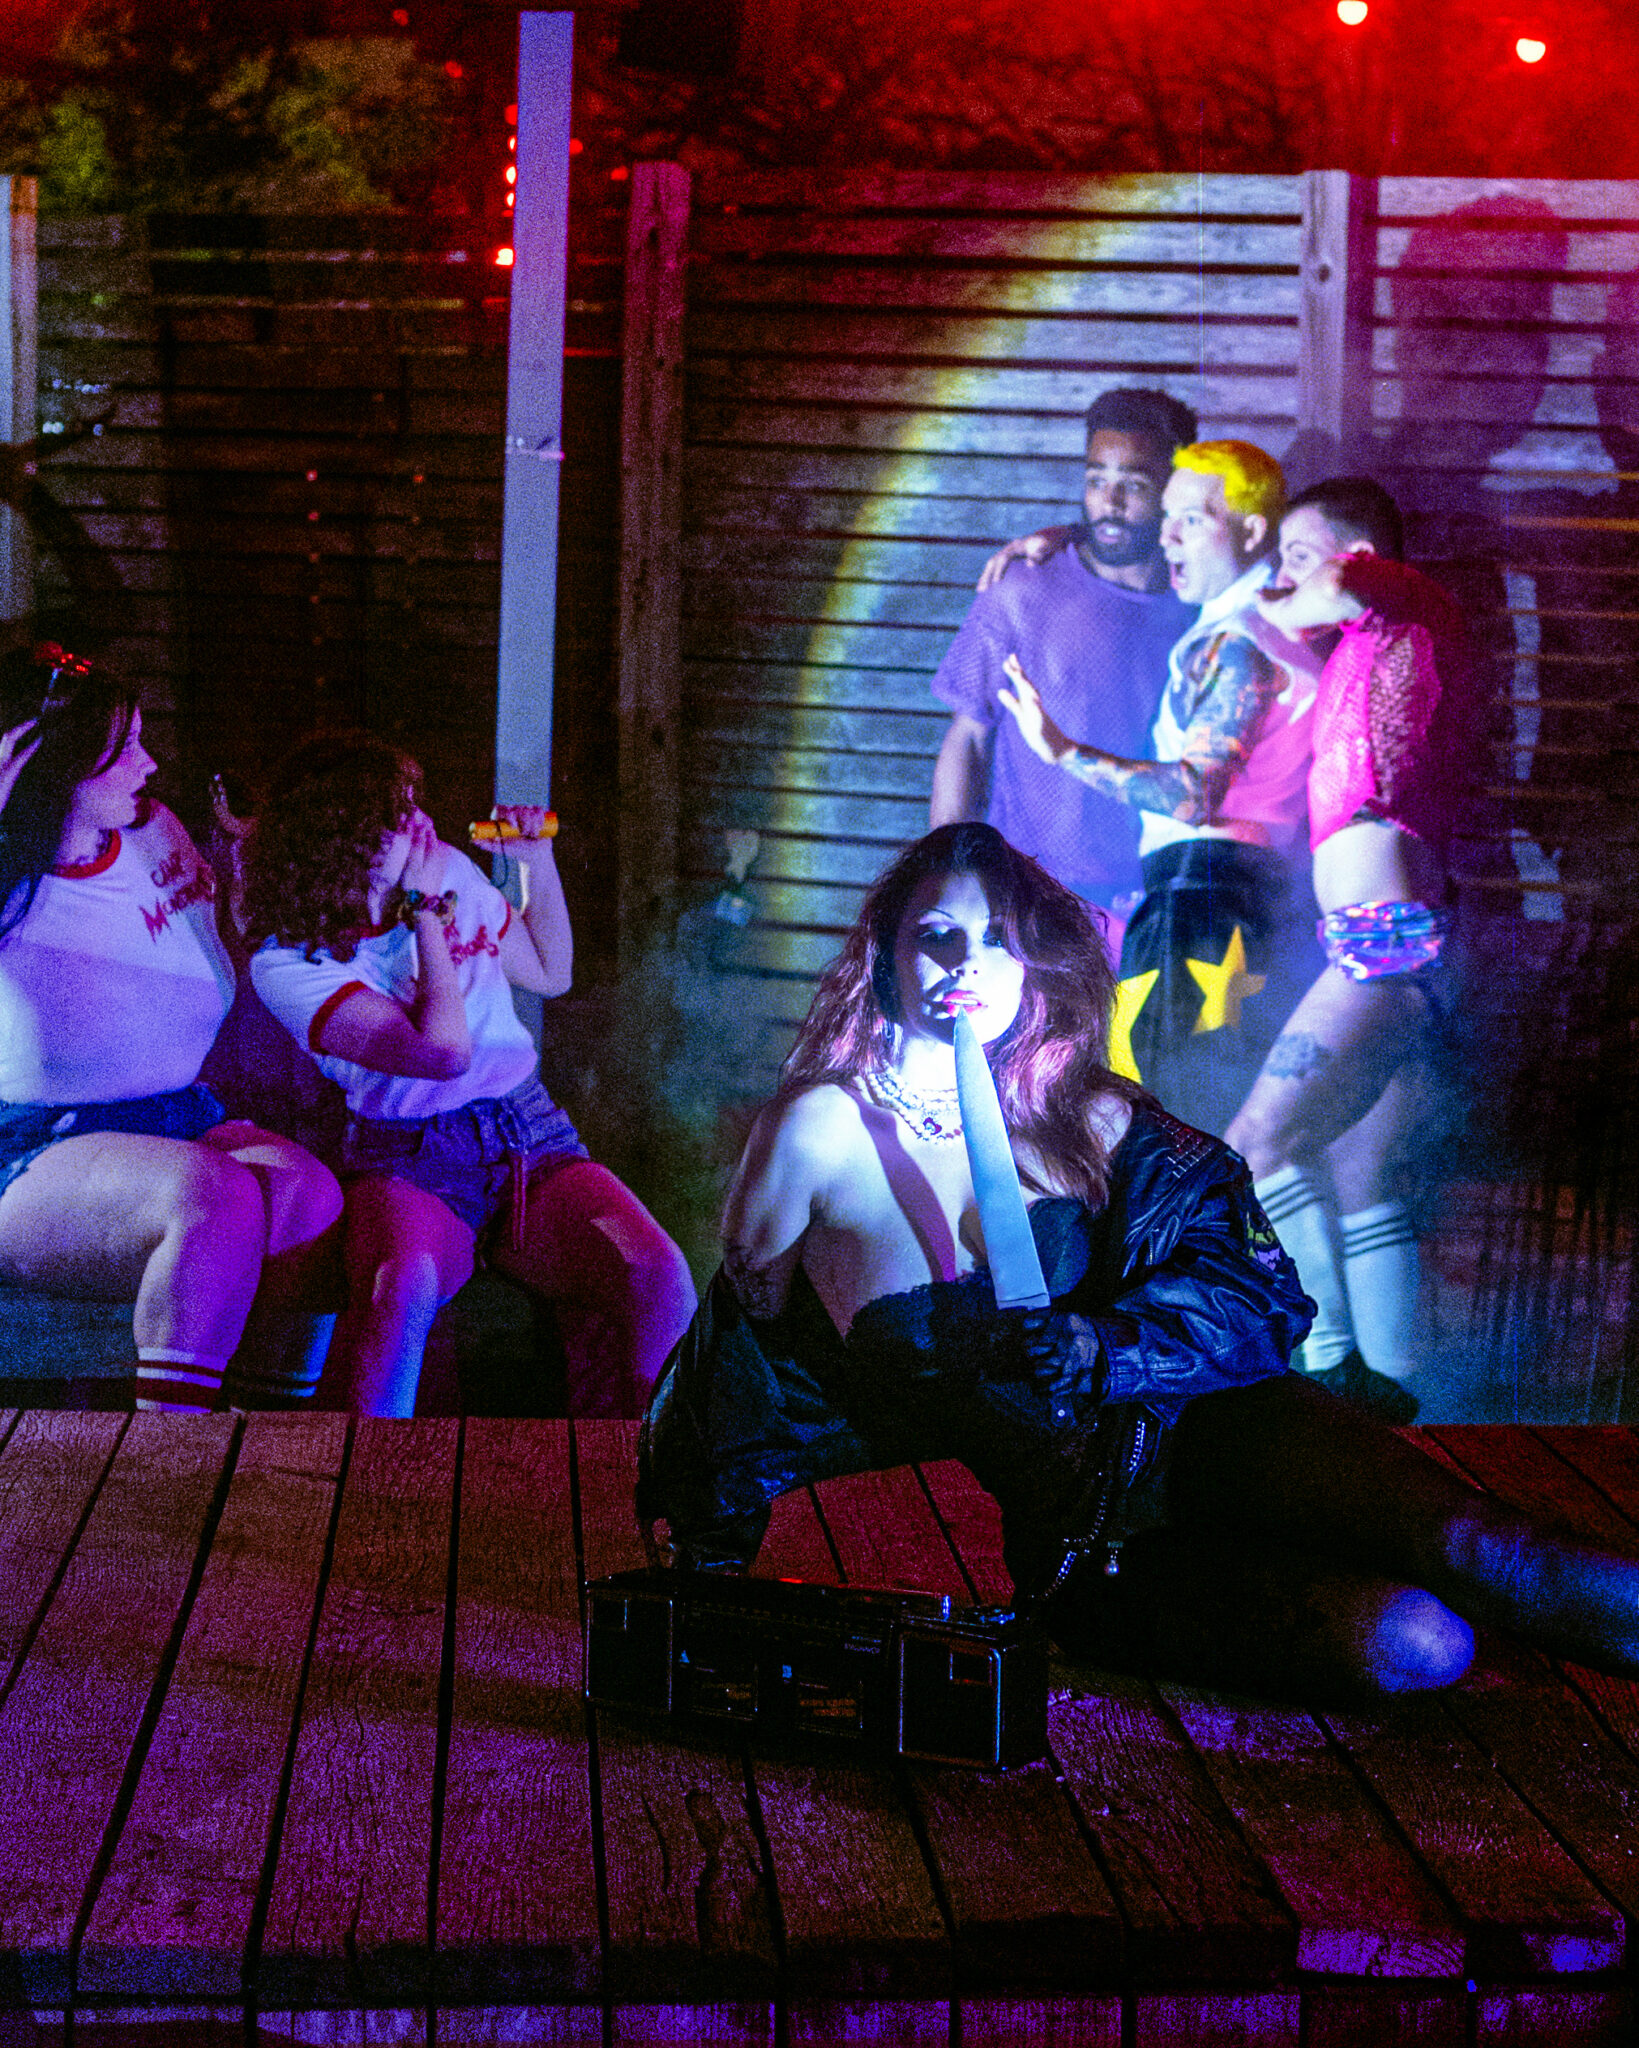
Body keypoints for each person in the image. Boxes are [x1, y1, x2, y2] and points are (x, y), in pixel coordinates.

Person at [638, 824, 1639, 1701]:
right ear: (886, 955)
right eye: (935, 934)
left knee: (1488, 1552)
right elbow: (751, 1348)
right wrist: (706, 1556)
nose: (965, 963)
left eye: (999, 938)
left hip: (1226, 1429)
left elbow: (1261, 1295)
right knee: (1416, 1641)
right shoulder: (819, 1132)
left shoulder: (1093, 1117)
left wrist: (1103, 1344)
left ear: (1034, 965)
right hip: (1097, 1545)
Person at [244, 732, 698, 1418]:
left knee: (657, 1273)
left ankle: (650, 1465)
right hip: (412, 1155)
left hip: (526, 1132)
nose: (421, 822)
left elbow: (549, 970)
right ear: (343, 840)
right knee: (400, 1288)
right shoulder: (288, 964)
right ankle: (369, 1474)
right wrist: (427, 918)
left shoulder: (447, 870)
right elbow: (442, 1055)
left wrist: (536, 862)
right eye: (397, 814)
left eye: (413, 803)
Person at [0, 641, 343, 1412]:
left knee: (306, 1196)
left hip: (178, 1115)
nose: (148, 764)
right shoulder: (8, 877)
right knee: (208, 1195)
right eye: (122, 749)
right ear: (51, 763)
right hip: (29, 1145)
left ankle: (261, 1445)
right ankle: (167, 1458)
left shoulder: (153, 830)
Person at [1223, 478, 1475, 1421]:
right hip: (1390, 943)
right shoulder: (1355, 655)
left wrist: (1279, 588)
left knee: (1253, 1146)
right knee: (1366, 1179)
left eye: (1298, 553)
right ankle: (1401, 1399)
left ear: (1358, 553)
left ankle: (1326, 1365)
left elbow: (1321, 589)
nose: (1285, 575)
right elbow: (1284, 626)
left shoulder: (1408, 603)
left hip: (1386, 943)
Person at [996, 441, 1325, 1138]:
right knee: (1201, 1117)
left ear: (1251, 531)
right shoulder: (1269, 622)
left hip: (1202, 898)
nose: (1166, 537)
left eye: (1191, 521)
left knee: (1168, 1115)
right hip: (1237, 897)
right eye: (1166, 517)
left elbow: (1193, 794)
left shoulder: (1239, 638)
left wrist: (1060, 751)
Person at [928, 388, 1198, 940]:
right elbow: (968, 737)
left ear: (1173, 488)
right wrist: (951, 876)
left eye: (1135, 485)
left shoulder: (1199, 601)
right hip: (1030, 894)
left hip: (1155, 901)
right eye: (1096, 480)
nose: (1110, 502)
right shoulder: (1022, 590)